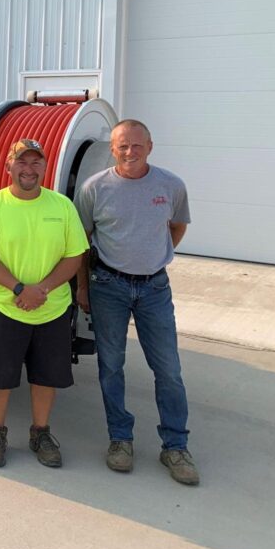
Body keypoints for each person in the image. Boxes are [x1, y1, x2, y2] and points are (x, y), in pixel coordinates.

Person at [74, 119, 198, 486]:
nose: (130, 151)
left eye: (137, 145)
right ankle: (120, 440)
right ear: (112, 149)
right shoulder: (94, 189)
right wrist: (83, 288)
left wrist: (154, 257)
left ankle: (175, 446)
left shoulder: (171, 185)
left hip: (155, 289)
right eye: (123, 146)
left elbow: (177, 227)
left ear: (150, 146)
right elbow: (81, 241)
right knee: (111, 366)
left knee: (169, 369)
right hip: (108, 287)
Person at [0, 138, 88, 468]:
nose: (29, 169)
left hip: (52, 308)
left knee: (45, 375)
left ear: (45, 167)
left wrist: (42, 290)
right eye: (22, 161)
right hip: (3, 306)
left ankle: (40, 433)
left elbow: (74, 256)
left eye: (36, 162)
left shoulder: (62, 206)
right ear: (9, 166)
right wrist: (20, 289)